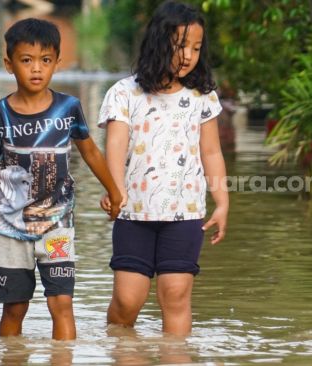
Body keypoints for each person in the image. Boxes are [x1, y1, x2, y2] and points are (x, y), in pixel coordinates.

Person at [0, 18, 123, 341]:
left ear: (57, 63)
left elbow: (91, 153)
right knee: (14, 308)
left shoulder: (69, 109)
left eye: (45, 60)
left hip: (57, 225)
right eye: (26, 60)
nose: (36, 69)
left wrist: (114, 191)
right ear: (8, 64)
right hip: (8, 229)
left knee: (62, 304)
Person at [98, 0, 229, 336]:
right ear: (158, 42)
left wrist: (223, 202)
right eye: (180, 45)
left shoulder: (203, 96)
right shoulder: (124, 93)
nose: (188, 55)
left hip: (184, 214)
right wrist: (115, 190)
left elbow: (211, 152)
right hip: (134, 214)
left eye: (196, 48)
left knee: (175, 295)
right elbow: (115, 146)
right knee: (129, 300)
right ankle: (121, 348)